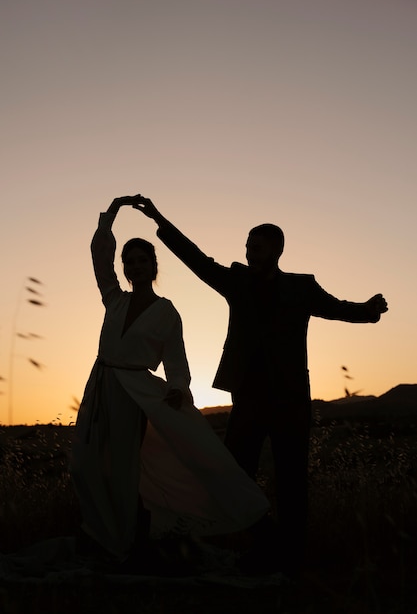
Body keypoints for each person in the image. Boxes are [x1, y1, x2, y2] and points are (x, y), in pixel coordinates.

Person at [133, 194, 389, 577]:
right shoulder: (237, 281)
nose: (250, 252)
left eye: (256, 247)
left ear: (276, 249)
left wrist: (368, 312)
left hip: (291, 401)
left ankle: (291, 559)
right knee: (234, 477)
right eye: (247, 246)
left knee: (292, 483)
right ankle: (263, 546)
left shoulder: (302, 288)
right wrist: (159, 220)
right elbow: (198, 260)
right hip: (249, 400)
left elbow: (338, 308)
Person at [69, 196, 270, 572]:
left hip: (136, 394)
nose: (135, 266)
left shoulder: (166, 312)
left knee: (125, 469)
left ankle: (125, 542)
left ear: (153, 265)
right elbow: (100, 256)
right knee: (84, 463)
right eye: (129, 261)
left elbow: (176, 360)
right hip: (100, 385)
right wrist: (111, 213)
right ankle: (101, 532)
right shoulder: (114, 299)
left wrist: (178, 387)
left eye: (143, 260)